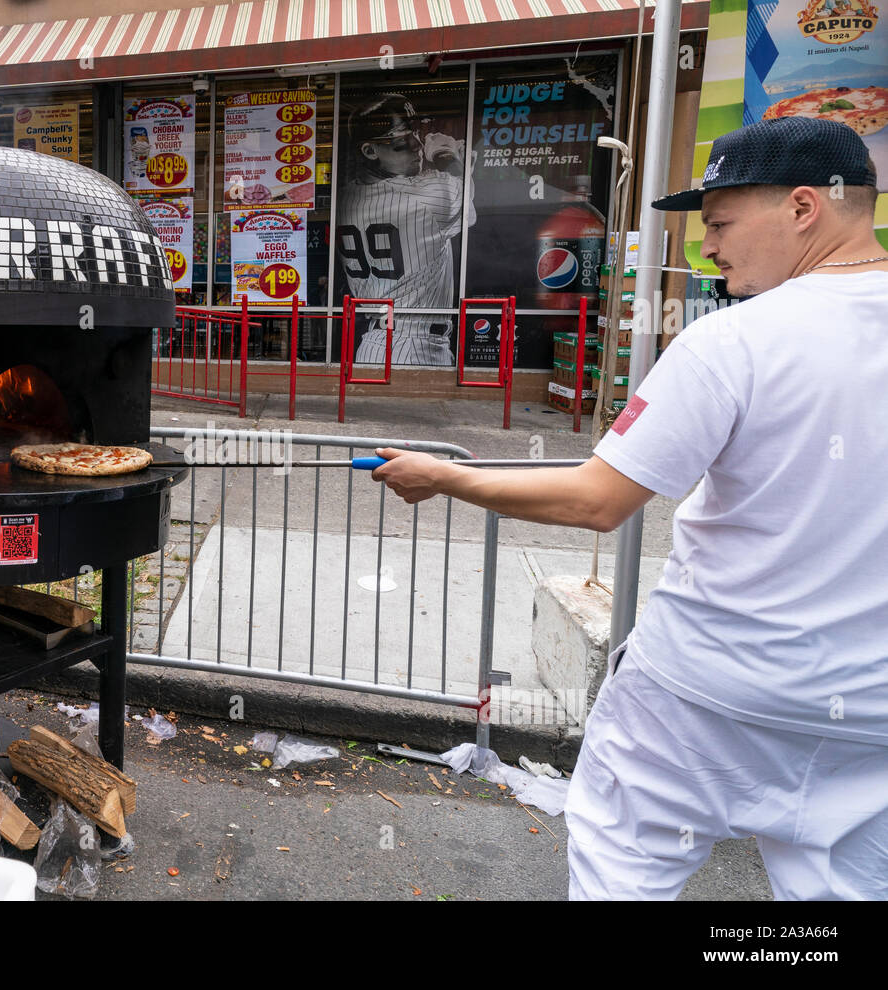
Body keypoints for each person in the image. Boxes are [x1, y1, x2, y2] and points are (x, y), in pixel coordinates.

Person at [372, 116, 888, 900]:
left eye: (719, 224)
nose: (707, 248)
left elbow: (597, 499)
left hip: (706, 696)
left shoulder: (734, 341)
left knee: (624, 878)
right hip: (867, 714)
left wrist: (446, 477)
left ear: (805, 208)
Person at [336, 93, 475, 366]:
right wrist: (445, 153)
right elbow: (461, 191)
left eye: (416, 133)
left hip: (378, 341)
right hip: (412, 346)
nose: (417, 145)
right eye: (401, 140)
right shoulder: (423, 197)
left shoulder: (346, 198)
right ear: (369, 151)